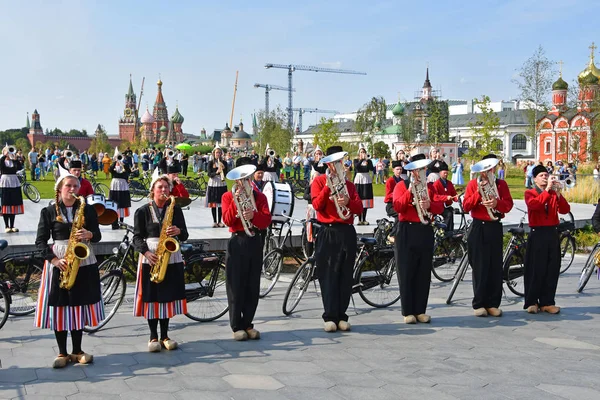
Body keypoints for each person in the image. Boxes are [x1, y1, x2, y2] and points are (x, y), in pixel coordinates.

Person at [34, 166, 103, 368]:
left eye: (75, 185)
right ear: (59, 189)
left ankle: (78, 350)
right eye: (68, 185)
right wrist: (54, 260)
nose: (72, 189)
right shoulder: (48, 211)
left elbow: (98, 236)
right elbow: (39, 242)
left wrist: (89, 235)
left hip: (83, 260)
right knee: (61, 307)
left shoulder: (87, 208)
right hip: (60, 261)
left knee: (79, 305)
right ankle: (62, 352)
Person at [133, 171, 188, 352]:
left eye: (166, 187)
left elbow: (185, 235)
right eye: (160, 187)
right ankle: (153, 336)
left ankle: (165, 335)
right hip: (151, 257)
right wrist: (147, 253)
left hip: (170, 257)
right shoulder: (142, 211)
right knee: (152, 296)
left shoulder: (175, 208)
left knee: (167, 296)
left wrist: (178, 231)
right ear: (153, 191)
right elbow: (137, 238)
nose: (163, 190)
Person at [311, 146, 363, 332]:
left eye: (340, 162)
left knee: (345, 275)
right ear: (328, 164)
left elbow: (358, 208)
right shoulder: (318, 182)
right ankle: (330, 316)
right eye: (334, 163)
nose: (338, 166)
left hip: (346, 232)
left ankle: (342, 315)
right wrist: (327, 188)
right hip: (328, 231)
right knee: (328, 275)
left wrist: (348, 202)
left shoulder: (349, 185)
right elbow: (317, 204)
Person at [222, 160, 272, 340]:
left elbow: (266, 221)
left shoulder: (260, 197)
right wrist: (237, 203)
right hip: (237, 241)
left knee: (252, 285)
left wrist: (254, 215)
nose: (243, 182)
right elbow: (227, 221)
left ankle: (248, 323)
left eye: (246, 178)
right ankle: (236, 326)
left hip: (255, 240)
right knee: (235, 284)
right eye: (240, 179)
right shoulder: (228, 196)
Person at [393, 154, 444, 324]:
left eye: (423, 169)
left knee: (423, 272)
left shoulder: (430, 188)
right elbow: (398, 206)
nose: (420, 172)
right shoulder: (401, 185)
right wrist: (409, 192)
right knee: (406, 271)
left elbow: (439, 207)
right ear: (411, 170)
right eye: (418, 169)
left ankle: (420, 310)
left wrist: (429, 205)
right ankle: (408, 311)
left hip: (424, 230)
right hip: (407, 230)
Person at [462, 154, 514, 317]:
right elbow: (465, 206)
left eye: (493, 167)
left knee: (494, 266)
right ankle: (479, 303)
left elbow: (508, 205)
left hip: (494, 226)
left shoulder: (502, 184)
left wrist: (496, 203)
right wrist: (478, 193)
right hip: (479, 227)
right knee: (480, 266)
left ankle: (493, 303)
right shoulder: (473, 184)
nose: (490, 170)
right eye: (487, 168)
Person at [523, 166, 570, 314]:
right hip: (537, 233)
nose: (545, 177)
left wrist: (558, 193)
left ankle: (547, 302)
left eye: (546, 175)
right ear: (535, 178)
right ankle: (531, 301)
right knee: (536, 268)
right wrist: (547, 190)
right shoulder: (530, 193)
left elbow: (564, 209)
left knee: (552, 268)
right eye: (542, 175)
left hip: (552, 233)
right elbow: (534, 205)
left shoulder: (552, 194)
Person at [0, 145, 24, 232]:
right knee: (6, 203)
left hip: (14, 182)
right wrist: (4, 155)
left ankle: (12, 225)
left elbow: (19, 168)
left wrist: (15, 159)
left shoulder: (13, 162)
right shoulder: (2, 161)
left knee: (13, 203)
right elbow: (1, 166)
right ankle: (6, 226)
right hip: (5, 182)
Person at [206, 144, 228, 228]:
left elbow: (226, 174)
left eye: (219, 152)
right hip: (213, 183)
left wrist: (224, 169)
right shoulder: (211, 162)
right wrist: (216, 172)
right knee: (214, 203)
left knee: (221, 203)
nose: (218, 154)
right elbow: (209, 173)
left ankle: (220, 221)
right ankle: (214, 221)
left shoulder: (224, 162)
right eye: (216, 152)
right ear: (214, 153)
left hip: (221, 183)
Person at [431, 161, 458, 231]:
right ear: (440, 173)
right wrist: (446, 197)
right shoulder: (436, 184)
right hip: (439, 206)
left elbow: (453, 193)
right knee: (448, 214)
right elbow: (435, 197)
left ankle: (450, 232)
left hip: (447, 206)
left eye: (447, 173)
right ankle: (444, 231)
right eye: (444, 173)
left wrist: (456, 198)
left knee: (452, 212)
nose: (446, 174)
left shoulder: (449, 183)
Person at [109, 149, 131, 229]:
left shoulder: (125, 164)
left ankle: (121, 222)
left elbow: (128, 171)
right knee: (114, 202)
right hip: (115, 184)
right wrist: (115, 162)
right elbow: (110, 170)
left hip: (123, 185)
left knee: (122, 203)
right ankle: (114, 223)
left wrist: (123, 164)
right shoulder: (114, 165)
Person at [353, 145, 374, 225]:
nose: (363, 153)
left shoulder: (368, 161)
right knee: (359, 199)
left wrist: (367, 160)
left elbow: (371, 169)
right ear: (359, 153)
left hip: (366, 179)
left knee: (365, 199)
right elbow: (356, 167)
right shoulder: (356, 160)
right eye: (361, 152)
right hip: (359, 179)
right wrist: (361, 160)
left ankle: (364, 218)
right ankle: (359, 219)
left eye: (364, 152)